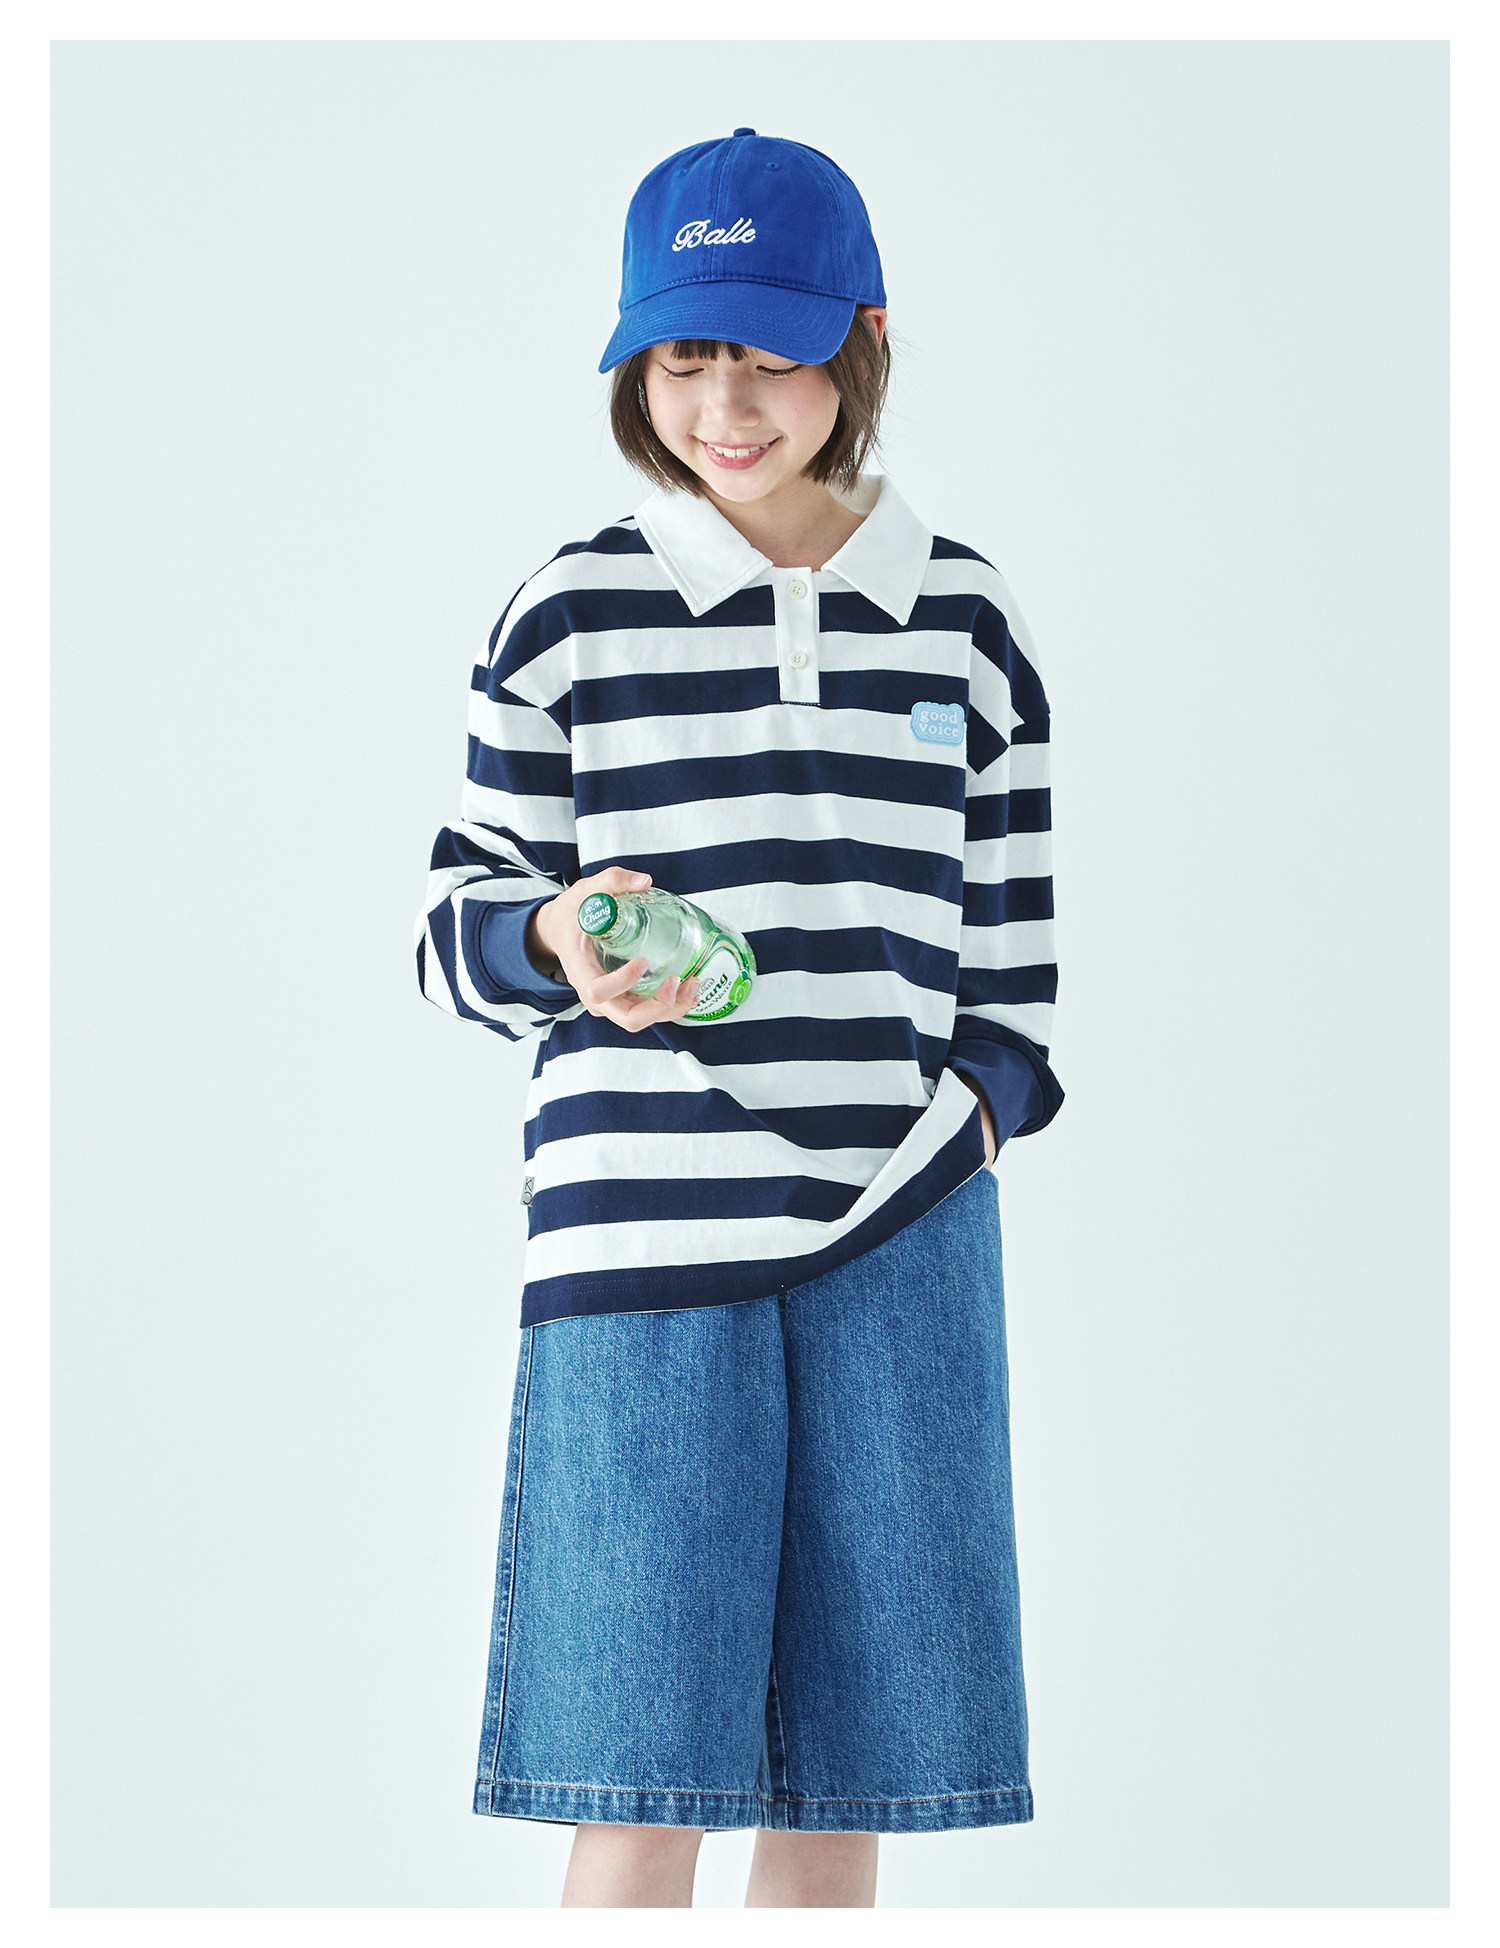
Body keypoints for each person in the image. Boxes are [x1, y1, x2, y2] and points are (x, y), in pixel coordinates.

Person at [414, 128, 1065, 1909]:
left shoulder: (965, 619)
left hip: (902, 1241)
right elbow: (451, 929)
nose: (725, 404)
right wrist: (554, 933)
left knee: (852, 1787)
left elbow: (1016, 973)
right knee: (636, 1786)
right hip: (645, 1243)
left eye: (769, 354)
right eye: (682, 357)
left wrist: (970, 1121)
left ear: (861, 338)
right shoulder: (568, 614)